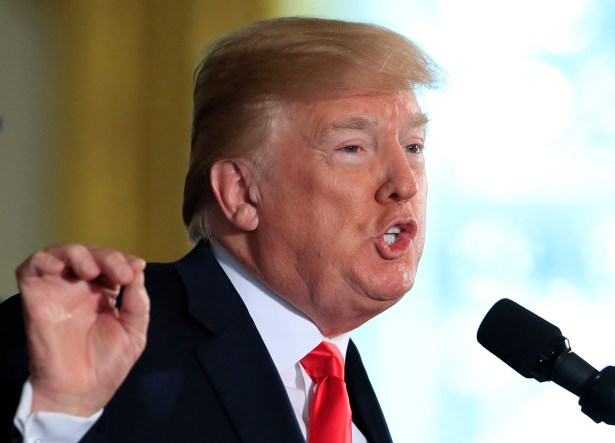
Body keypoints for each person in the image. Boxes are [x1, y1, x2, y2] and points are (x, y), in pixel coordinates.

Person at [0, 16, 441, 442]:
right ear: (241, 193)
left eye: (413, 146)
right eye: (352, 148)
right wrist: (60, 415)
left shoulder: (336, 374)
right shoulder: (96, 332)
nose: (404, 183)